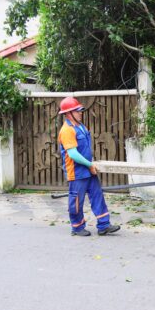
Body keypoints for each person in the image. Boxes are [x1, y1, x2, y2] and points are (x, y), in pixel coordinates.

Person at [57, 97, 121, 237]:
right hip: (77, 172)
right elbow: (73, 154)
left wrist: (90, 165)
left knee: (97, 196)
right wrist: (90, 164)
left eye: (80, 110)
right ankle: (77, 227)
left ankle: (104, 225)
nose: (81, 113)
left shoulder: (81, 126)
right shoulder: (67, 130)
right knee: (77, 201)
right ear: (69, 113)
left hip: (88, 169)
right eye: (78, 111)